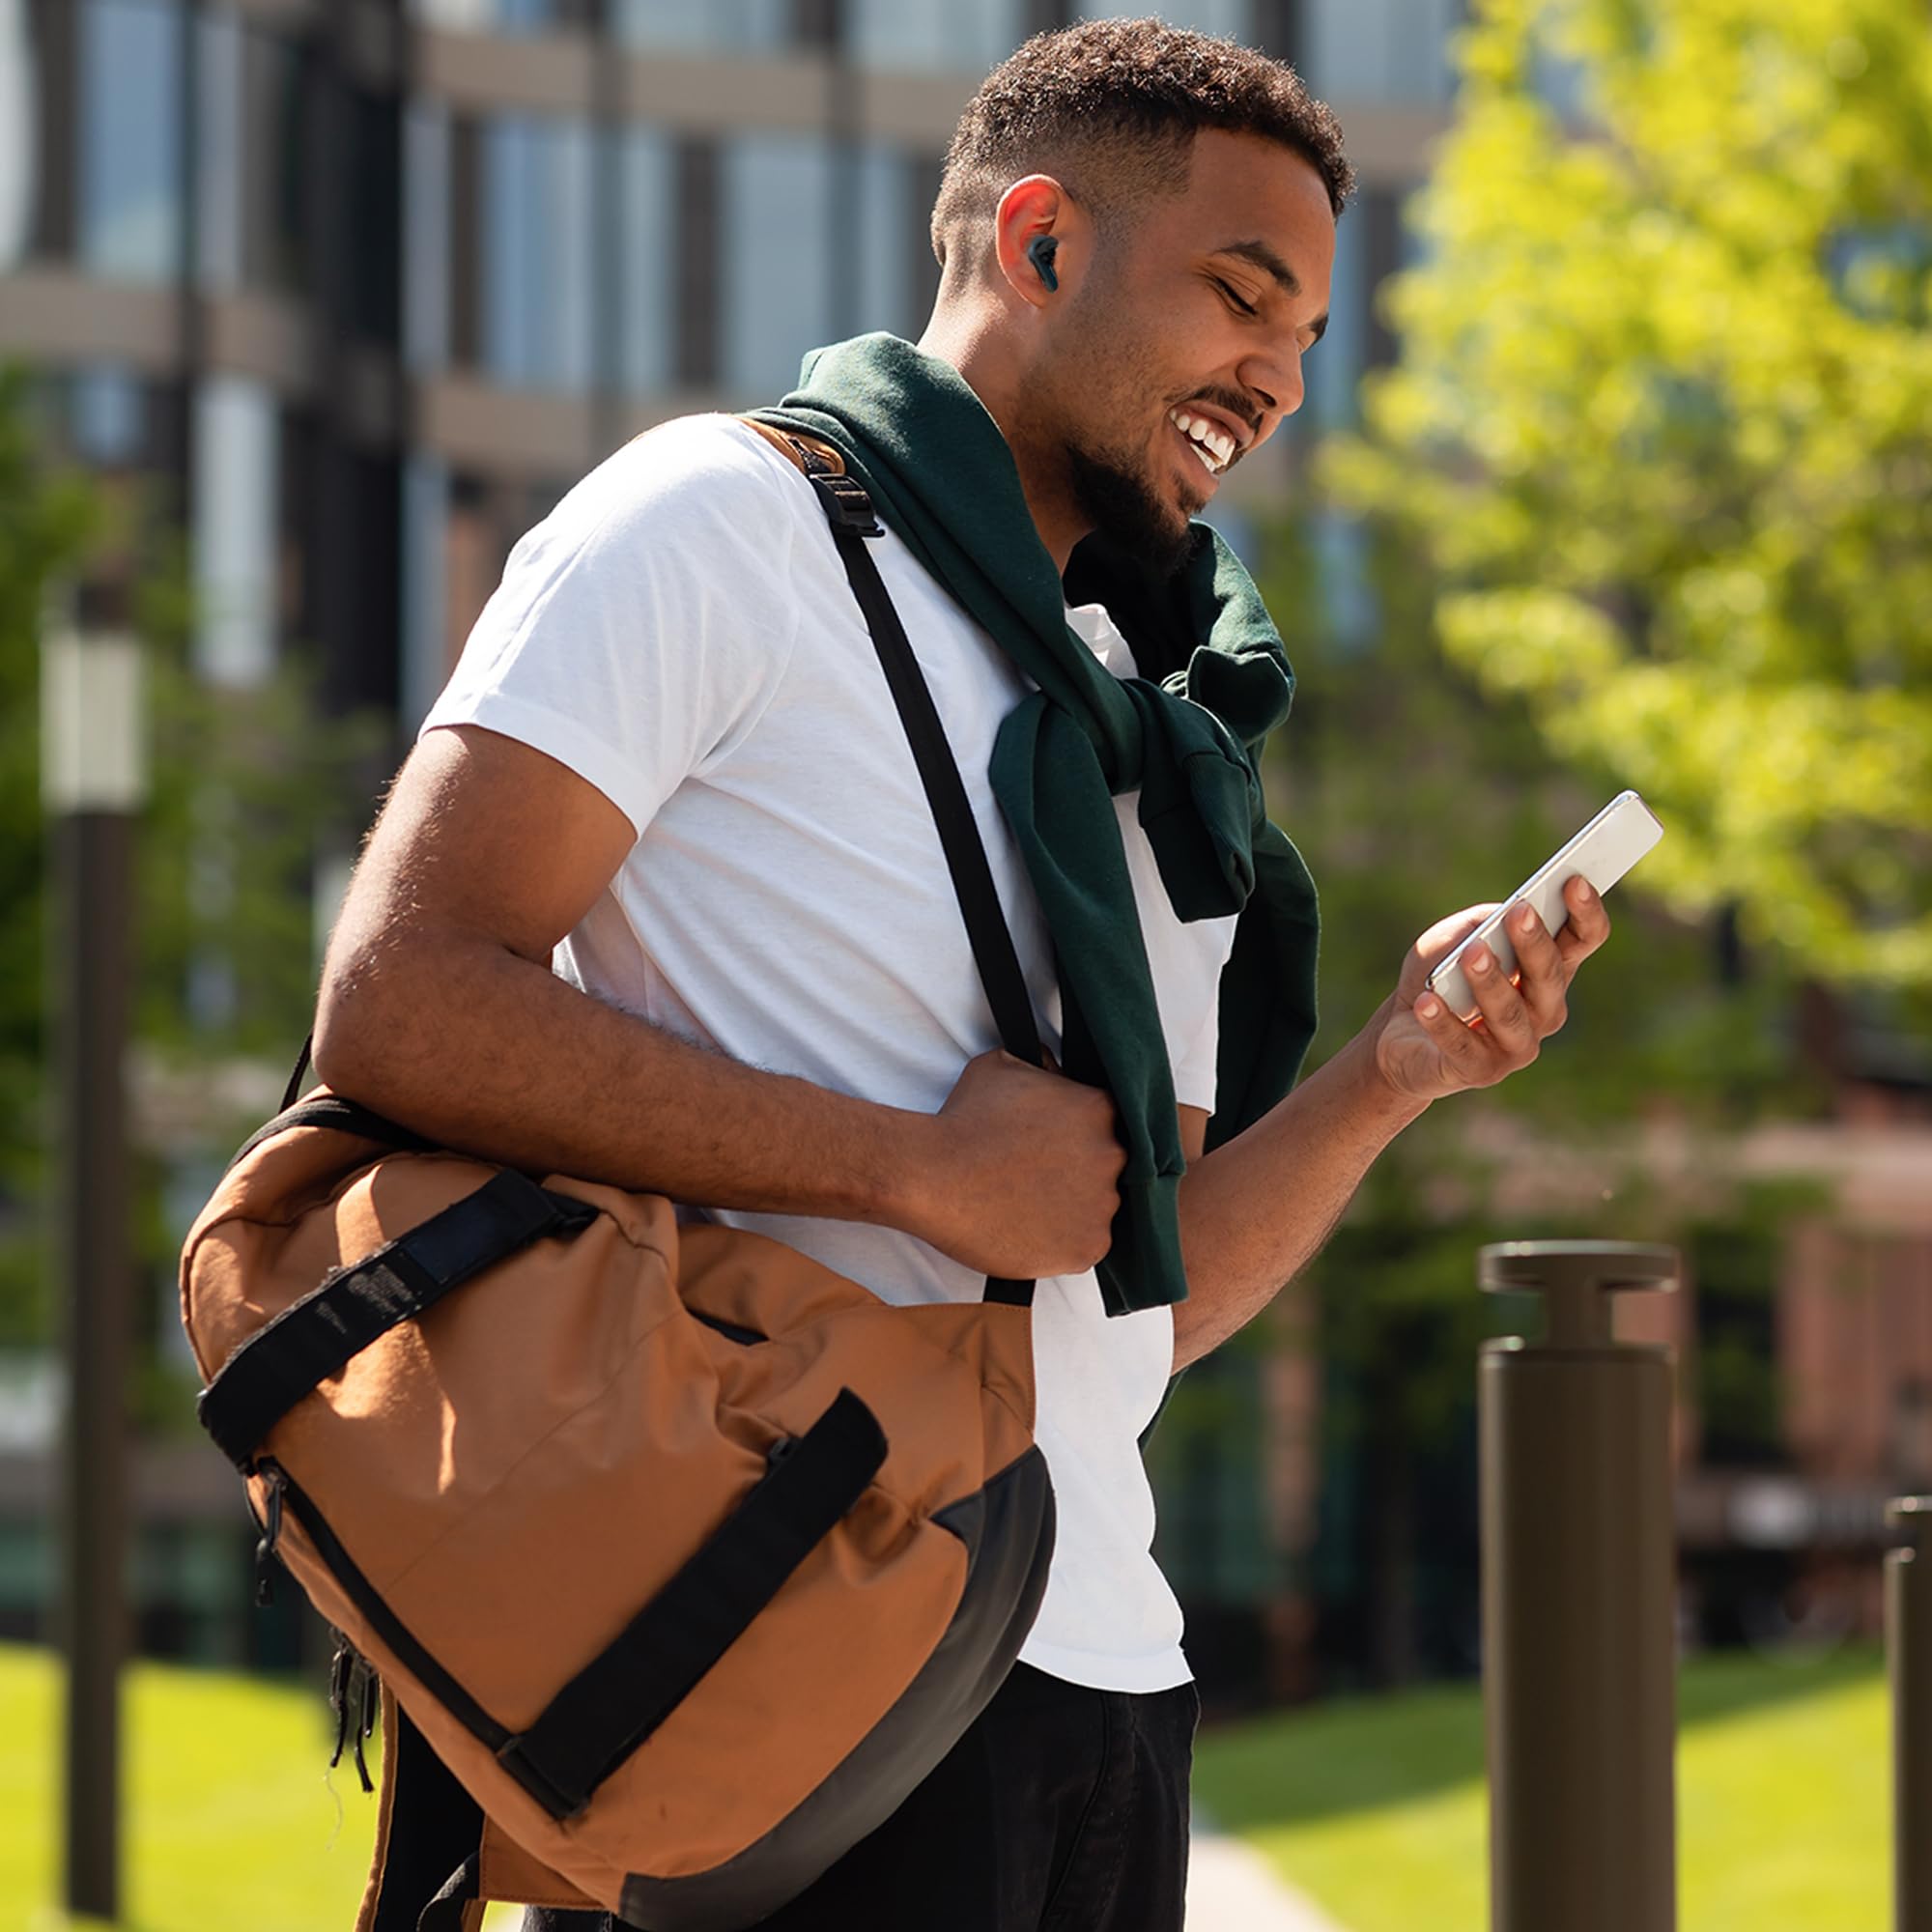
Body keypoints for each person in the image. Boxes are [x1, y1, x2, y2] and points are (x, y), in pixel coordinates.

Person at [313, 19, 1610, 1932]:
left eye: (1310, 334)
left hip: (1098, 1670)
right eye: (1242, 295)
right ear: (1040, 242)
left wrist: (1393, 1071)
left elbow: (1127, 1307)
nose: (1278, 376)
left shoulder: (1146, 730)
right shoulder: (720, 523)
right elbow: (403, 1000)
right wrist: (907, 1166)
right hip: (783, 1650)